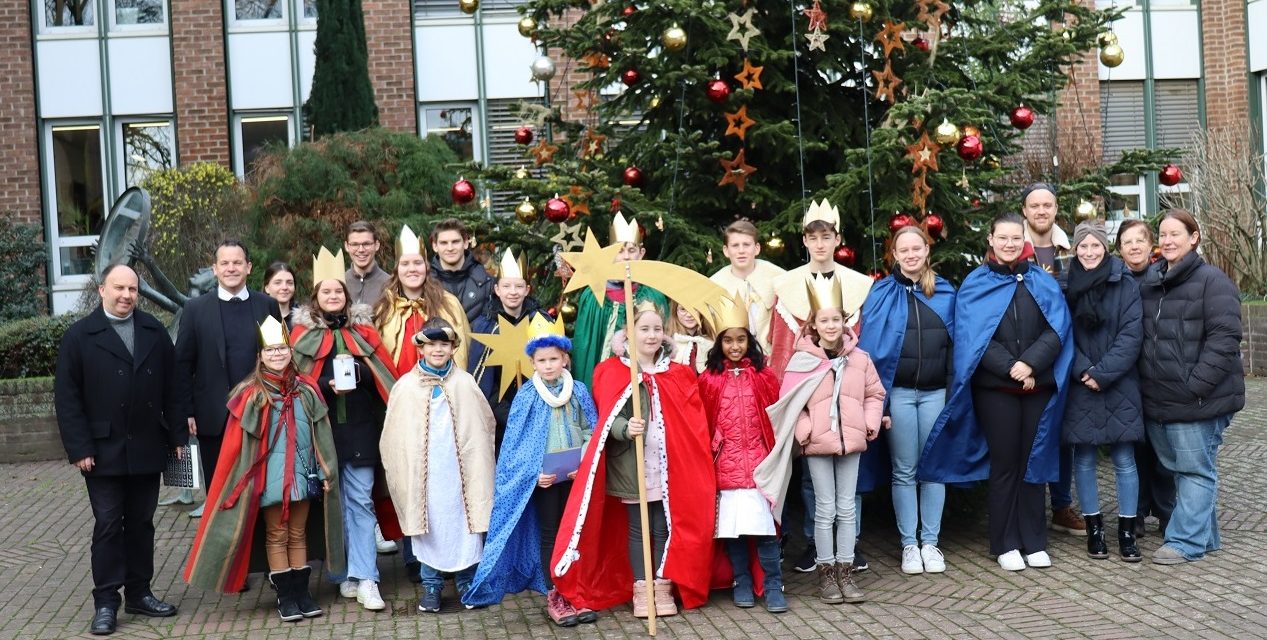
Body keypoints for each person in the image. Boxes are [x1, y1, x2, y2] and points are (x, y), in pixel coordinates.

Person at [927, 213, 1073, 572]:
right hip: (997, 389)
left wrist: (1032, 366)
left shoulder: (1041, 280)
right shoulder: (976, 284)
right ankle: (1005, 541)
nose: (1009, 244)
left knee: (1032, 462)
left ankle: (1033, 540)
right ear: (990, 240)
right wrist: (1012, 367)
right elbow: (974, 337)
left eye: (1014, 238)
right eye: (1002, 238)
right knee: (1006, 464)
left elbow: (1058, 329)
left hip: (1036, 386)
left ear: (1022, 239)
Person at [551, 302, 716, 619]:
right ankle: (642, 589)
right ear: (630, 333)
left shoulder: (678, 373)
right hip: (632, 465)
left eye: (657, 329)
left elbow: (692, 423)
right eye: (644, 329)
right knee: (639, 528)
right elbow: (606, 420)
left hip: (668, 467)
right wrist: (626, 427)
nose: (652, 335)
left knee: (663, 526)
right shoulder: (612, 371)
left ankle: (662, 586)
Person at [184, 316, 341, 622]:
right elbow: (239, 449)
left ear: (290, 351)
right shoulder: (251, 395)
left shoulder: (307, 390)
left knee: (298, 534)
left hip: (302, 476)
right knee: (276, 534)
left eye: (282, 348)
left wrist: (325, 471)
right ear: (260, 356)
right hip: (269, 480)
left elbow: (322, 435)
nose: (277, 354)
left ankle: (302, 593)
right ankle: (285, 595)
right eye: (270, 351)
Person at [55, 264, 183, 636]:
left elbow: (174, 388)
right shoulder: (79, 337)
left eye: (133, 289)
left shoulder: (154, 331)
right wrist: (79, 447)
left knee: (142, 524)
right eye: (119, 288)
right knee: (109, 525)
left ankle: (140, 593)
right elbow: (67, 399)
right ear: (101, 290)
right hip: (101, 450)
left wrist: (176, 436)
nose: (126, 295)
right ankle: (106, 602)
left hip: (147, 446)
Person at [462, 316, 599, 626]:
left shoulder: (577, 390)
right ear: (532, 362)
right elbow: (515, 447)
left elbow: (591, 427)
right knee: (551, 534)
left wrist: (584, 461)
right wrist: (534, 473)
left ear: (565, 358)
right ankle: (556, 593)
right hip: (545, 481)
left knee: (575, 533)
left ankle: (576, 591)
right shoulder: (527, 396)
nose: (548, 365)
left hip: (576, 478)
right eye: (542, 360)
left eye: (554, 358)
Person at [766, 200, 872, 574]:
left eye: (827, 236)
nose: (820, 244)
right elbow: (780, 346)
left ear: (837, 238)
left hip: (844, 397)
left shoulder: (857, 285)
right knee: (813, 478)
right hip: (807, 397)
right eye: (813, 237)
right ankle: (816, 544)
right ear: (805, 241)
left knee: (847, 477)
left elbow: (859, 347)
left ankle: (850, 545)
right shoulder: (785, 286)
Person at [764, 274, 883, 604]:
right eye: (823, 320)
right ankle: (827, 574)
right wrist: (806, 432)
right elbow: (790, 403)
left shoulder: (860, 360)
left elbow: (875, 394)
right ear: (813, 325)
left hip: (851, 443)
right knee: (824, 509)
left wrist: (868, 422)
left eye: (835, 319)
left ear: (844, 322)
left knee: (847, 509)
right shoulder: (802, 361)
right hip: (817, 444)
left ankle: (846, 573)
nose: (830, 326)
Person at [290, 247, 398, 611]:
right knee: (335, 503)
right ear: (316, 298)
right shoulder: (302, 337)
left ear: (346, 296)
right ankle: (347, 572)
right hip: (325, 433)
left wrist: (360, 373)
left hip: (361, 429)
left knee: (361, 500)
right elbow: (296, 382)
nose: (333, 296)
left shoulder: (363, 331)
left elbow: (384, 378)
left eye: (338, 291)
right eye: (326, 292)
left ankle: (368, 577)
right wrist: (324, 384)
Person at [1137, 210, 1244, 565]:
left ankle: (1185, 541)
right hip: (1160, 400)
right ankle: (1206, 536)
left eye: (1175, 234)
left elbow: (1225, 339)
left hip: (1198, 400)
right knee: (1181, 468)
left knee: (1195, 470)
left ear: (1194, 237)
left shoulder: (1214, 282)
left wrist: (1196, 385)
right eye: (1162, 235)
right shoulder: (1152, 282)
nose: (1167, 241)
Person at [857, 226, 955, 575]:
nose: (911, 254)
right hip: (897, 394)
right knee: (904, 470)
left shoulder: (944, 292)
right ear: (894, 255)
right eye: (904, 249)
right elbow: (871, 348)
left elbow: (958, 347)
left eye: (918, 248)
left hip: (935, 394)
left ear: (927, 251)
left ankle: (931, 542)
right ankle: (909, 546)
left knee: (934, 468)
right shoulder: (880, 293)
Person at [380, 319, 496, 613]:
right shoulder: (406, 387)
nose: (438, 350)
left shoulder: (466, 383)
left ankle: (468, 582)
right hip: (425, 474)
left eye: (444, 344)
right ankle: (431, 585)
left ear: (453, 348)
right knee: (427, 524)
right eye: (431, 344)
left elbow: (483, 426)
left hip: (460, 474)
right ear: (421, 349)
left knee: (464, 524)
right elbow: (393, 436)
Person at [176, 241, 282, 519]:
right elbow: (183, 365)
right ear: (215, 269)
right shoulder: (195, 309)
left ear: (248, 267)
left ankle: (260, 557)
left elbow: (280, 358)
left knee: (262, 492)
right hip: (214, 417)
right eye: (224, 263)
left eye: (237, 262)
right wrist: (186, 411)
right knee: (219, 495)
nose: (231, 268)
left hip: (261, 413)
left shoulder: (267, 305)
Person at [1058, 220, 1145, 562]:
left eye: (1095, 245)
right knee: (1085, 458)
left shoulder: (1124, 282)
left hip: (1119, 382)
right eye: (1083, 246)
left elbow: (1131, 334)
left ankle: (1126, 533)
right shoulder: (1065, 285)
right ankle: (1095, 532)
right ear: (1075, 249)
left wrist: (1103, 373)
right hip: (1081, 382)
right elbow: (1062, 331)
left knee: (1124, 458)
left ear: (1105, 247)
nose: (1090, 252)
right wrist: (1083, 370)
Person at [697, 296, 786, 612]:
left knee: (765, 532)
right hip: (726, 467)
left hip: (760, 465)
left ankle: (774, 584)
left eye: (741, 339)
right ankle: (742, 581)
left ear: (750, 341)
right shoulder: (709, 379)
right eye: (728, 341)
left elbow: (775, 416)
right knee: (733, 532)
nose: (735, 346)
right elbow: (702, 422)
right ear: (719, 343)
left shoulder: (763, 376)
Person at [1018, 183, 1084, 537]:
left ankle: (1061, 506)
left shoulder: (1074, 250)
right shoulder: (1012, 248)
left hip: (1065, 353)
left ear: (1056, 209)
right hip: (1026, 358)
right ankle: (1026, 509)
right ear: (1024, 211)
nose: (1041, 211)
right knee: (1026, 433)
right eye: (1034, 206)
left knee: (1061, 434)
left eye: (1047, 205)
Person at [1115, 219, 1173, 536]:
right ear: (1119, 248)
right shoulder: (1114, 280)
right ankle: (1135, 514)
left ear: (1151, 245)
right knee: (1135, 451)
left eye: (1140, 240)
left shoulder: (1163, 278)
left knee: (1162, 451)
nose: (1135, 246)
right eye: (1128, 241)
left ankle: (1166, 512)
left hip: (1158, 377)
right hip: (1127, 378)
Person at [468, 248, 552, 452]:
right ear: (497, 290)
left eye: (518, 286)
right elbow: (481, 380)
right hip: (501, 418)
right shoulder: (485, 326)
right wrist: (509, 413)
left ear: (527, 289)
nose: (513, 292)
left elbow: (554, 365)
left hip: (539, 413)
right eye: (506, 286)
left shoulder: (541, 322)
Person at [570, 213, 669, 386]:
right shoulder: (594, 295)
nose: (626, 257)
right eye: (619, 251)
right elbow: (584, 347)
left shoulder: (653, 296)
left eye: (632, 250)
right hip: (604, 383)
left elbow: (665, 343)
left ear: (641, 253)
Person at [375, 224, 471, 373]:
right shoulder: (384, 309)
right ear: (397, 269)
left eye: (418, 263)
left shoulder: (449, 304)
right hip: (398, 391)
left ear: (426, 267)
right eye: (405, 264)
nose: (412, 269)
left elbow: (462, 352)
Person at [709, 220, 786, 353]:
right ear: (726, 251)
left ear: (756, 248)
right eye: (735, 245)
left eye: (746, 245)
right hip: (732, 355)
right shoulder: (715, 284)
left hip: (770, 353)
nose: (741, 251)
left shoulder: (778, 277)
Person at [430, 218, 494, 325]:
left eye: (455, 242)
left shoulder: (487, 282)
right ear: (435, 246)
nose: (450, 248)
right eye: (444, 243)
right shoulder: (426, 283)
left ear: (465, 243)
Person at [344, 221, 392, 307]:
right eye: (355, 244)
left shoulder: (390, 284)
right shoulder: (339, 284)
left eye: (366, 244)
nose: (361, 250)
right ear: (347, 246)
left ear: (376, 245)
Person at [667, 301, 713, 375]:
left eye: (695, 309)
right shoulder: (668, 342)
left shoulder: (712, 342)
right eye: (683, 309)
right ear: (675, 311)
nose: (689, 314)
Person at [263, 262, 298, 329]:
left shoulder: (304, 321)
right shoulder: (256, 317)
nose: (284, 287)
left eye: (289, 283)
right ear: (267, 288)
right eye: (278, 283)